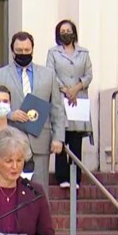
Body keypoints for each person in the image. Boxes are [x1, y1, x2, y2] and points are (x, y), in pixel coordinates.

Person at [0, 31, 67, 190]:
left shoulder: (49, 74)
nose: (23, 54)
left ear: (32, 50)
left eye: (27, 50)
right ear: (12, 51)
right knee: (9, 189)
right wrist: (8, 113)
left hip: (40, 139)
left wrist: (58, 138)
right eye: (19, 51)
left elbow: (57, 108)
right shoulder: (0, 74)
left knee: (39, 191)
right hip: (10, 139)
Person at [47, 19, 93, 189]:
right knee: (61, 136)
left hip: (78, 99)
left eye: (69, 30)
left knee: (76, 140)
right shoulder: (53, 52)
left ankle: (76, 178)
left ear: (74, 32)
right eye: (62, 31)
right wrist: (66, 90)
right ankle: (62, 176)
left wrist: (76, 88)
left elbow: (89, 74)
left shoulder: (84, 52)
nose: (66, 33)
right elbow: (50, 73)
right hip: (60, 98)